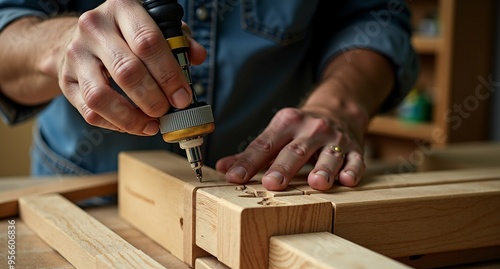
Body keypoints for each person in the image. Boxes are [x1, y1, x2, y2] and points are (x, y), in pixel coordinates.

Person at [0, 0, 418, 192]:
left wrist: (339, 103)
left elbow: (373, 15)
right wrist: (59, 47)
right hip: (84, 199)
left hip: (273, 188)